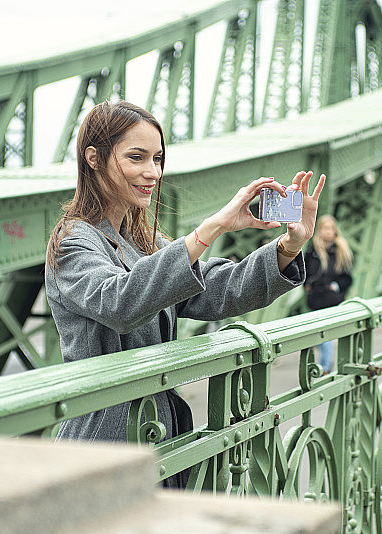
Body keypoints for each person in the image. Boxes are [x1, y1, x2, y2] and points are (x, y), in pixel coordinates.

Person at [44, 100, 325, 487]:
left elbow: (217, 291)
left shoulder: (145, 242)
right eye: (136, 157)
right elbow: (119, 303)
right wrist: (209, 230)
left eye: (158, 159)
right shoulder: (73, 242)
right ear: (93, 158)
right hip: (106, 443)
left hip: (160, 434)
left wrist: (289, 247)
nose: (152, 172)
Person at [304, 215, 353, 374]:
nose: (328, 232)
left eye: (331, 228)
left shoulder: (341, 250)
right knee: (317, 334)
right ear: (319, 230)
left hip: (332, 300)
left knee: (327, 334)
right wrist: (307, 285)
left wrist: (335, 286)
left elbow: (347, 277)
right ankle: (325, 363)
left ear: (335, 230)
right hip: (316, 299)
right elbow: (304, 271)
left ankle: (325, 368)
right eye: (325, 228)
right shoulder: (313, 250)